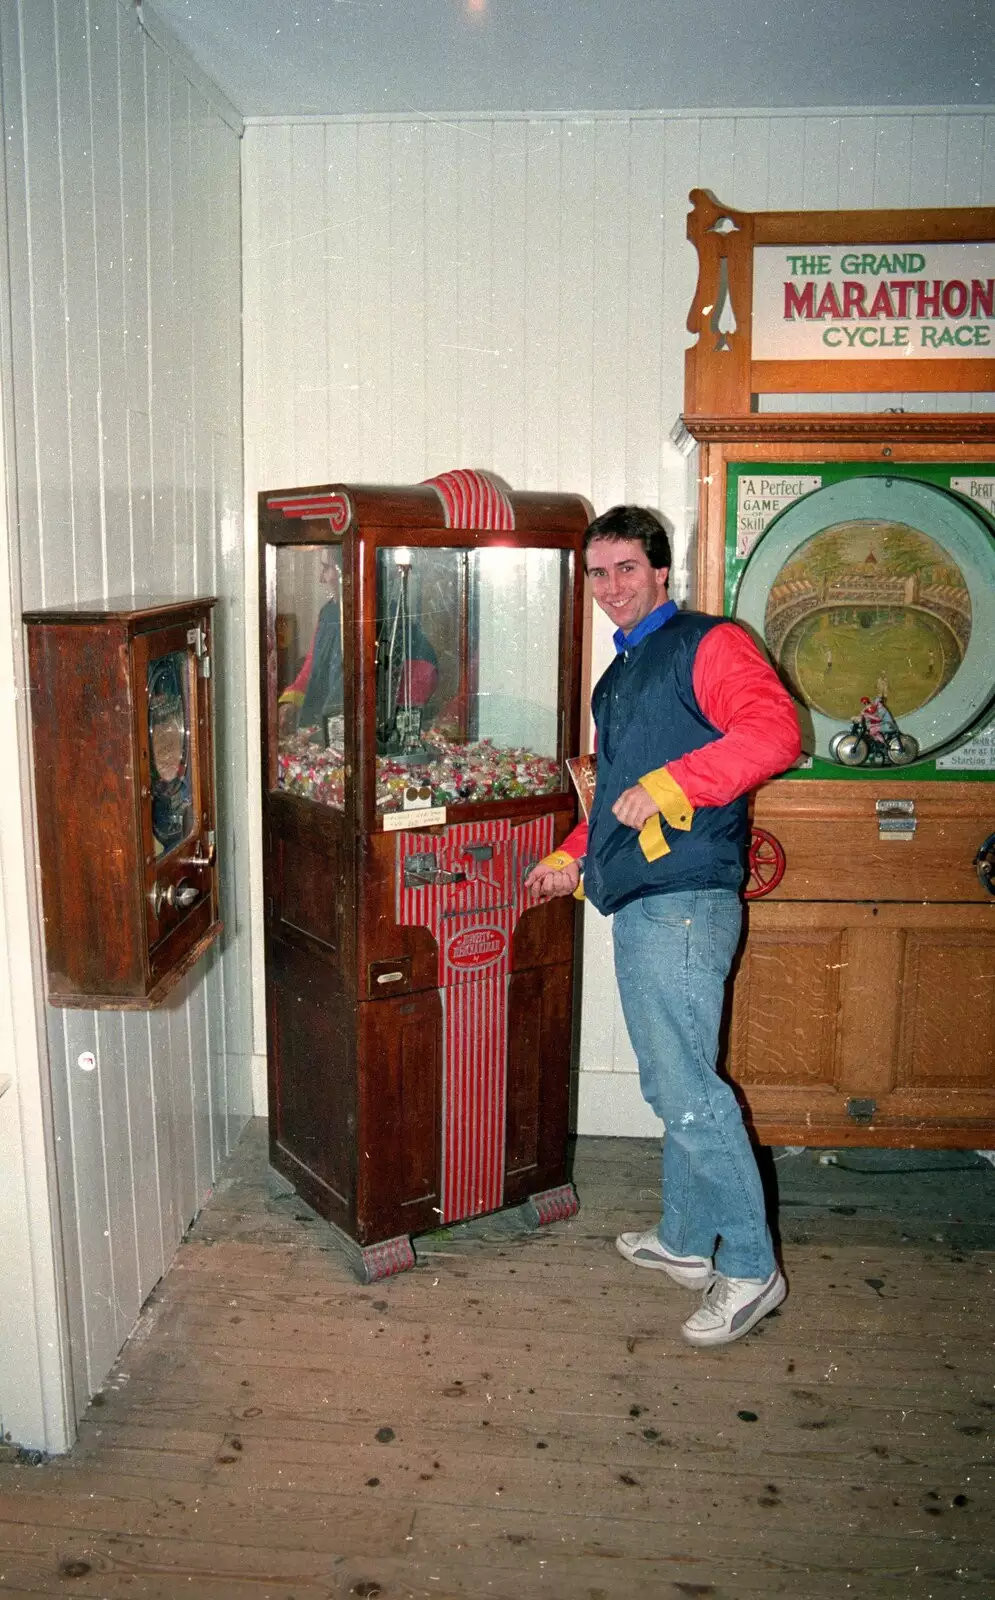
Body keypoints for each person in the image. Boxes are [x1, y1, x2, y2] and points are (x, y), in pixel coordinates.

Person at [525, 505, 801, 1349]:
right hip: (643, 896)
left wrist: (676, 784)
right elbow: (615, 792)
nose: (610, 588)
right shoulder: (623, 675)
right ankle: (687, 1242)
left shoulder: (706, 643)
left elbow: (775, 733)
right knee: (675, 1080)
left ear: (660, 573)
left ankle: (751, 1269)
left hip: (683, 900)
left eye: (625, 570)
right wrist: (571, 854)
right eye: (597, 574)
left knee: (684, 1090)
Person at [279, 547, 438, 736]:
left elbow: (425, 670)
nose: (321, 579)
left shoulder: (389, 617)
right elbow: (311, 670)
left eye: (326, 568)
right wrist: (289, 702)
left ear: (346, 573)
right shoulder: (328, 615)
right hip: (325, 733)